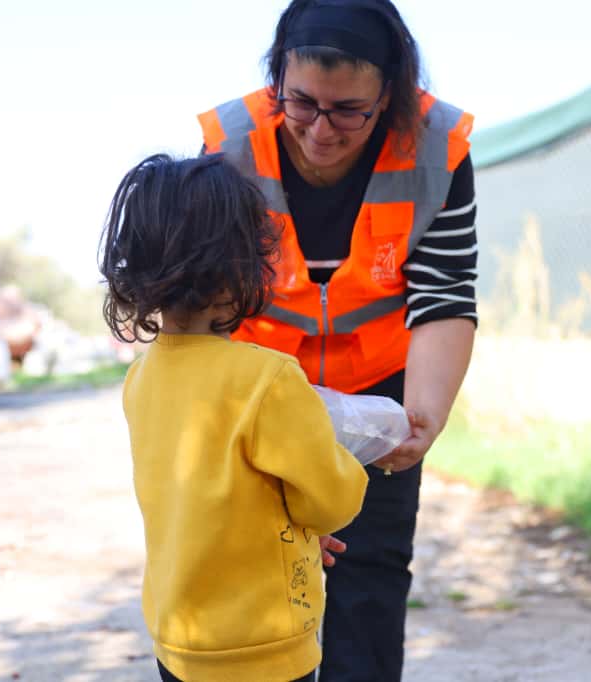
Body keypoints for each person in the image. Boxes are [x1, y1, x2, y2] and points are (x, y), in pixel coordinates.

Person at [197, 1, 478, 679]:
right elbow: (203, 305)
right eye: (301, 102)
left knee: (370, 575)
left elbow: (443, 296)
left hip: (381, 395)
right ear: (277, 81)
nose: (321, 130)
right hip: (260, 392)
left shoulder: (438, 147)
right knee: (257, 572)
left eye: (349, 109)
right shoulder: (228, 147)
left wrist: (423, 421)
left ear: (392, 93)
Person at [99, 153, 369, 682]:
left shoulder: (140, 379)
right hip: (265, 649)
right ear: (243, 263)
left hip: (180, 641)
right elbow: (331, 500)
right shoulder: (267, 380)